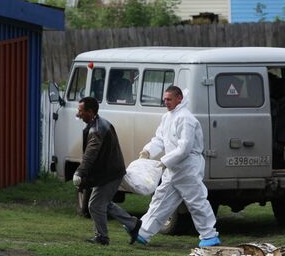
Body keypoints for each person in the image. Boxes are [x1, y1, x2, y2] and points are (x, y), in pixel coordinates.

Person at [135, 86, 221, 247]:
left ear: (179, 98)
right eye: (164, 99)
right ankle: (143, 232)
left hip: (187, 167)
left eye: (169, 99)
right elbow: (160, 138)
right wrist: (148, 150)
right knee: (160, 199)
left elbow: (185, 148)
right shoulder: (168, 117)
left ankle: (209, 235)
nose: (165, 102)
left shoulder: (186, 119)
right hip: (173, 168)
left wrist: (165, 161)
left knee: (196, 201)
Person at [73, 96, 142, 245]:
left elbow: (90, 154)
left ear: (90, 112)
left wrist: (79, 172)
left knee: (95, 205)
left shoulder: (97, 129)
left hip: (110, 173)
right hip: (109, 172)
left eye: (80, 111)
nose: (78, 114)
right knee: (104, 203)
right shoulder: (97, 124)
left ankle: (102, 237)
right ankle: (133, 224)